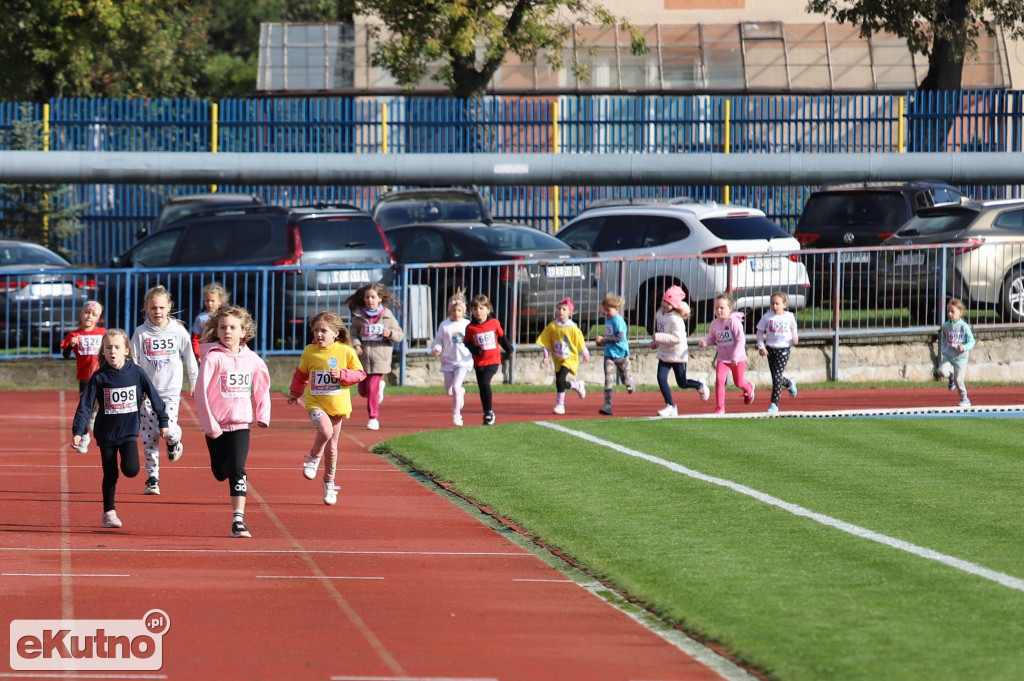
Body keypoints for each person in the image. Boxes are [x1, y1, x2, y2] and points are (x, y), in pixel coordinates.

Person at [71, 328, 168, 529]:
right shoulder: (99, 377)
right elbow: (86, 405)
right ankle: (109, 512)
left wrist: (163, 420)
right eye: (108, 348)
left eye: (117, 347)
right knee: (110, 473)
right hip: (106, 434)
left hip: (128, 432)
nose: (112, 351)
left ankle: (112, 506)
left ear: (126, 350)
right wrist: (78, 431)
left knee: (131, 470)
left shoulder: (136, 372)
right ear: (103, 352)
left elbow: (154, 396)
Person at [194, 305, 271, 538]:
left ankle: (238, 521)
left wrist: (262, 415)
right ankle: (225, 472)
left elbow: (262, 387)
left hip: (240, 425)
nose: (227, 331)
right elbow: (201, 393)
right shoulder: (212, 358)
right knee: (221, 472)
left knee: (238, 468)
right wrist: (210, 425)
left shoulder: (252, 360)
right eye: (223, 327)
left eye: (232, 327)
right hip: (216, 426)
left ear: (243, 331)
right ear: (216, 330)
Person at [287, 312, 365, 505]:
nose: (319, 334)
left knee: (332, 447)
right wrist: (295, 393)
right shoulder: (310, 351)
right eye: (316, 330)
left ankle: (329, 483)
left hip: (337, 406)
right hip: (316, 403)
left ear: (336, 333)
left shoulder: (346, 351)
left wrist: (342, 374)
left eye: (323, 330)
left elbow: (360, 374)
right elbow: (301, 375)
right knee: (325, 430)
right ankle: (313, 458)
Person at [131, 285, 198, 496]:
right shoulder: (141, 333)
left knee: (166, 430)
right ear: (146, 308)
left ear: (169, 307)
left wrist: (194, 381)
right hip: (147, 392)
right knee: (149, 435)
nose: (157, 312)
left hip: (170, 390)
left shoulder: (178, 331)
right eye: (153, 308)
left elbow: (189, 356)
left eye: (161, 307)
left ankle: (175, 439)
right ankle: (152, 478)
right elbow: (132, 359)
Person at [346, 283, 404, 431]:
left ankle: (373, 418)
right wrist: (356, 345)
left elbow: (400, 335)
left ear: (380, 299)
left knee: (372, 388)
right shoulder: (359, 316)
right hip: (363, 358)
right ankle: (380, 388)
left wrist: (390, 333)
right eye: (367, 297)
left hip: (380, 358)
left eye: (373, 297)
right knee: (363, 391)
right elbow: (352, 334)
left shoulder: (387, 315)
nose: (370, 300)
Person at [651, 286, 709, 417]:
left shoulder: (676, 319)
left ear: (675, 305)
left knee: (682, 383)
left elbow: (677, 338)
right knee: (661, 378)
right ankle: (670, 405)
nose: (664, 304)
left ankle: (699, 385)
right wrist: (655, 343)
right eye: (664, 301)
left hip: (678, 355)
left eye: (669, 303)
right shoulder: (659, 314)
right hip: (664, 354)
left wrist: (658, 337)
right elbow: (661, 332)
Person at [61, 300, 107, 453]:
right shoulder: (75, 335)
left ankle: (94, 415)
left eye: (93, 314)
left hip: (102, 376)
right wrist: (71, 346)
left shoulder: (103, 333)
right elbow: (65, 355)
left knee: (101, 405)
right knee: (84, 406)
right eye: (87, 313)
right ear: (81, 314)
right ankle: (84, 436)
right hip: (85, 378)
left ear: (97, 318)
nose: (89, 316)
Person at [698, 293, 755, 414]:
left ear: (729, 308)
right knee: (719, 381)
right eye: (716, 308)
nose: (718, 310)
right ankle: (720, 408)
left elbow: (741, 340)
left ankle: (749, 387)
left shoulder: (734, 322)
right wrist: (705, 343)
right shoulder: (714, 323)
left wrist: (735, 356)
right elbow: (712, 338)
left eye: (721, 308)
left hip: (737, 359)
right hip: (723, 359)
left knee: (738, 382)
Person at [466, 294, 514, 425]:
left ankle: (488, 413)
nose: (478, 311)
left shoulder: (494, 323)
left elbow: (502, 337)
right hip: (479, 362)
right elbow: (467, 342)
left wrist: (509, 349)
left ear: (488, 309)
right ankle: (487, 411)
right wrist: (475, 350)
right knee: (482, 386)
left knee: (485, 383)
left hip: (493, 360)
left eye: (481, 308)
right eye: (475, 309)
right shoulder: (470, 328)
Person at [536, 297, 589, 415]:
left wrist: (585, 352)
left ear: (570, 312)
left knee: (560, 380)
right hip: (558, 359)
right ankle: (576, 385)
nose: (561, 311)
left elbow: (580, 341)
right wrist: (546, 355)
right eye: (559, 309)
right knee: (559, 382)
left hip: (569, 359)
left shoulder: (572, 328)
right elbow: (546, 341)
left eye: (564, 309)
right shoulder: (553, 326)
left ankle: (560, 405)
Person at [432, 289, 474, 426]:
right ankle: (461, 392)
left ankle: (457, 415)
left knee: (456, 387)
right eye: (454, 310)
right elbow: (438, 340)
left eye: (459, 311)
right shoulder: (445, 325)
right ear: (450, 310)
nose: (456, 313)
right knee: (450, 391)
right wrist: (437, 348)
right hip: (448, 361)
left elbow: (473, 339)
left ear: (464, 311)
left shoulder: (467, 324)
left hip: (463, 361)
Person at [755, 292, 800, 414]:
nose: (774, 306)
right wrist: (761, 347)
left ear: (784, 305)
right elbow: (759, 332)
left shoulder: (789, 316)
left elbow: (793, 327)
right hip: (770, 349)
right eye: (772, 304)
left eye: (777, 304)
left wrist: (795, 337)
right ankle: (790, 383)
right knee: (776, 376)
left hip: (784, 348)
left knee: (776, 377)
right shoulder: (767, 317)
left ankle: (774, 404)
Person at [594, 293, 636, 415]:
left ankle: (630, 381)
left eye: (608, 310)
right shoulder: (608, 319)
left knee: (624, 380)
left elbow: (618, 338)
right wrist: (602, 343)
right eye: (605, 310)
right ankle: (607, 405)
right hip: (609, 355)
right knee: (609, 379)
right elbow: (609, 336)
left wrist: (604, 340)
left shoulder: (618, 321)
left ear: (617, 308)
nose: (606, 312)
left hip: (622, 355)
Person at [936, 297, 976, 407]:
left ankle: (965, 398)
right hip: (948, 356)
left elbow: (972, 341)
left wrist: (964, 347)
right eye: (948, 311)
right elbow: (944, 338)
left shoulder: (964, 327)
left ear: (960, 312)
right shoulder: (946, 326)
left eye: (952, 311)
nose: (949, 314)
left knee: (959, 381)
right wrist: (944, 349)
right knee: (941, 371)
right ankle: (951, 377)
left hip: (960, 358)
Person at [191, 282, 229, 360]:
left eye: (212, 301)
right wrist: (198, 354)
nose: (209, 303)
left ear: (220, 301)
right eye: (207, 300)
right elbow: (196, 338)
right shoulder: (200, 318)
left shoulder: (225, 316)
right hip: (206, 352)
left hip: (222, 352)